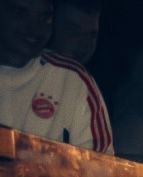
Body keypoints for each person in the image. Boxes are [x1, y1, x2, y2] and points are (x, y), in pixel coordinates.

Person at [0, 0, 111, 152]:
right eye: (20, 13)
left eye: (45, 17)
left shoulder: (75, 80)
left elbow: (100, 162)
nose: (34, 28)